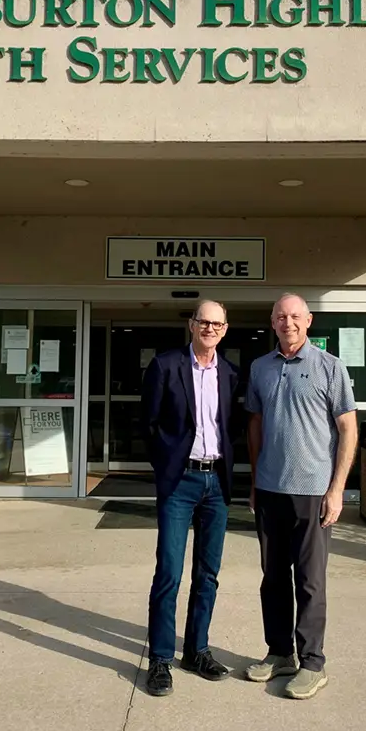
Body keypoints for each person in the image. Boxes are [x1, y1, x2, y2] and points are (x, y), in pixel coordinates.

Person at [243, 293, 358, 700]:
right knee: (273, 578)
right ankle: (280, 654)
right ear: (272, 323)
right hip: (271, 490)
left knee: (310, 581)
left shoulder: (330, 367)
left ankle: (313, 662)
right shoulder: (260, 368)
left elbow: (347, 428)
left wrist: (337, 489)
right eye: (280, 317)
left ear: (308, 321)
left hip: (313, 492)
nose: (287, 322)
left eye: (295, 316)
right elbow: (255, 426)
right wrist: (255, 482)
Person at [140, 299, 243, 697]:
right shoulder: (166, 365)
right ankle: (161, 658)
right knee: (169, 573)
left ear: (225, 328)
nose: (210, 328)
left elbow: (229, 426)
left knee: (208, 574)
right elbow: (147, 423)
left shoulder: (231, 373)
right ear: (191, 324)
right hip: (179, 483)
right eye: (204, 321)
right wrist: (166, 467)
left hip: (216, 483)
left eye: (217, 323)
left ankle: (197, 650)